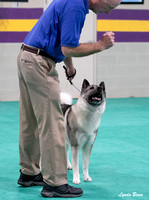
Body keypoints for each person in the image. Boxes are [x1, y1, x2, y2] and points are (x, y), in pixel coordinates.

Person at [17, 0, 121, 198]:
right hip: (39, 62)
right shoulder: (76, 7)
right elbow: (68, 48)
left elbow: (64, 42)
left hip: (27, 56)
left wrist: (70, 67)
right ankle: (55, 183)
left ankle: (28, 173)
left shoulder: (72, 1)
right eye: (110, 8)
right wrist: (101, 45)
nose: (107, 13)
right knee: (54, 124)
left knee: (29, 121)